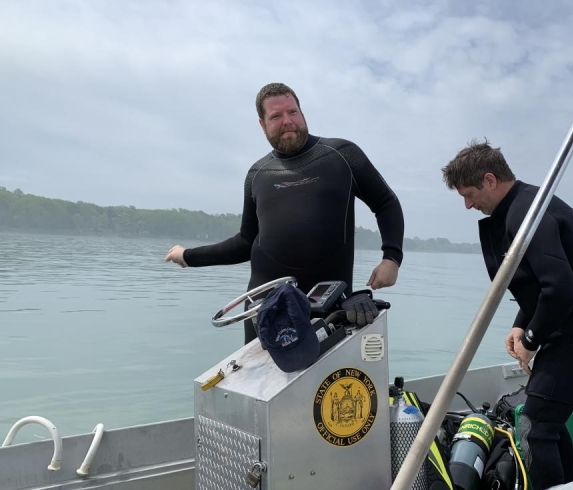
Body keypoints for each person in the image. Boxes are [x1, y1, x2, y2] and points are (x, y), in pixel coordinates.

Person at [441, 139, 573, 490]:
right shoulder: (518, 207)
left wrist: (532, 342)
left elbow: (563, 289)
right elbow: (538, 284)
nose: (468, 204)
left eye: (470, 193)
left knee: (535, 428)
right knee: (547, 421)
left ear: (490, 180)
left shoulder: (527, 212)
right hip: (564, 326)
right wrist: (522, 324)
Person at [165, 82, 404, 342]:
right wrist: (188, 256)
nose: (287, 121)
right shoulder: (257, 175)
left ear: (302, 113)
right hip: (265, 308)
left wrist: (391, 258)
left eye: (292, 112)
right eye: (276, 116)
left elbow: (385, 203)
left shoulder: (342, 155)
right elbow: (246, 242)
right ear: (262, 124)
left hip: (329, 307)